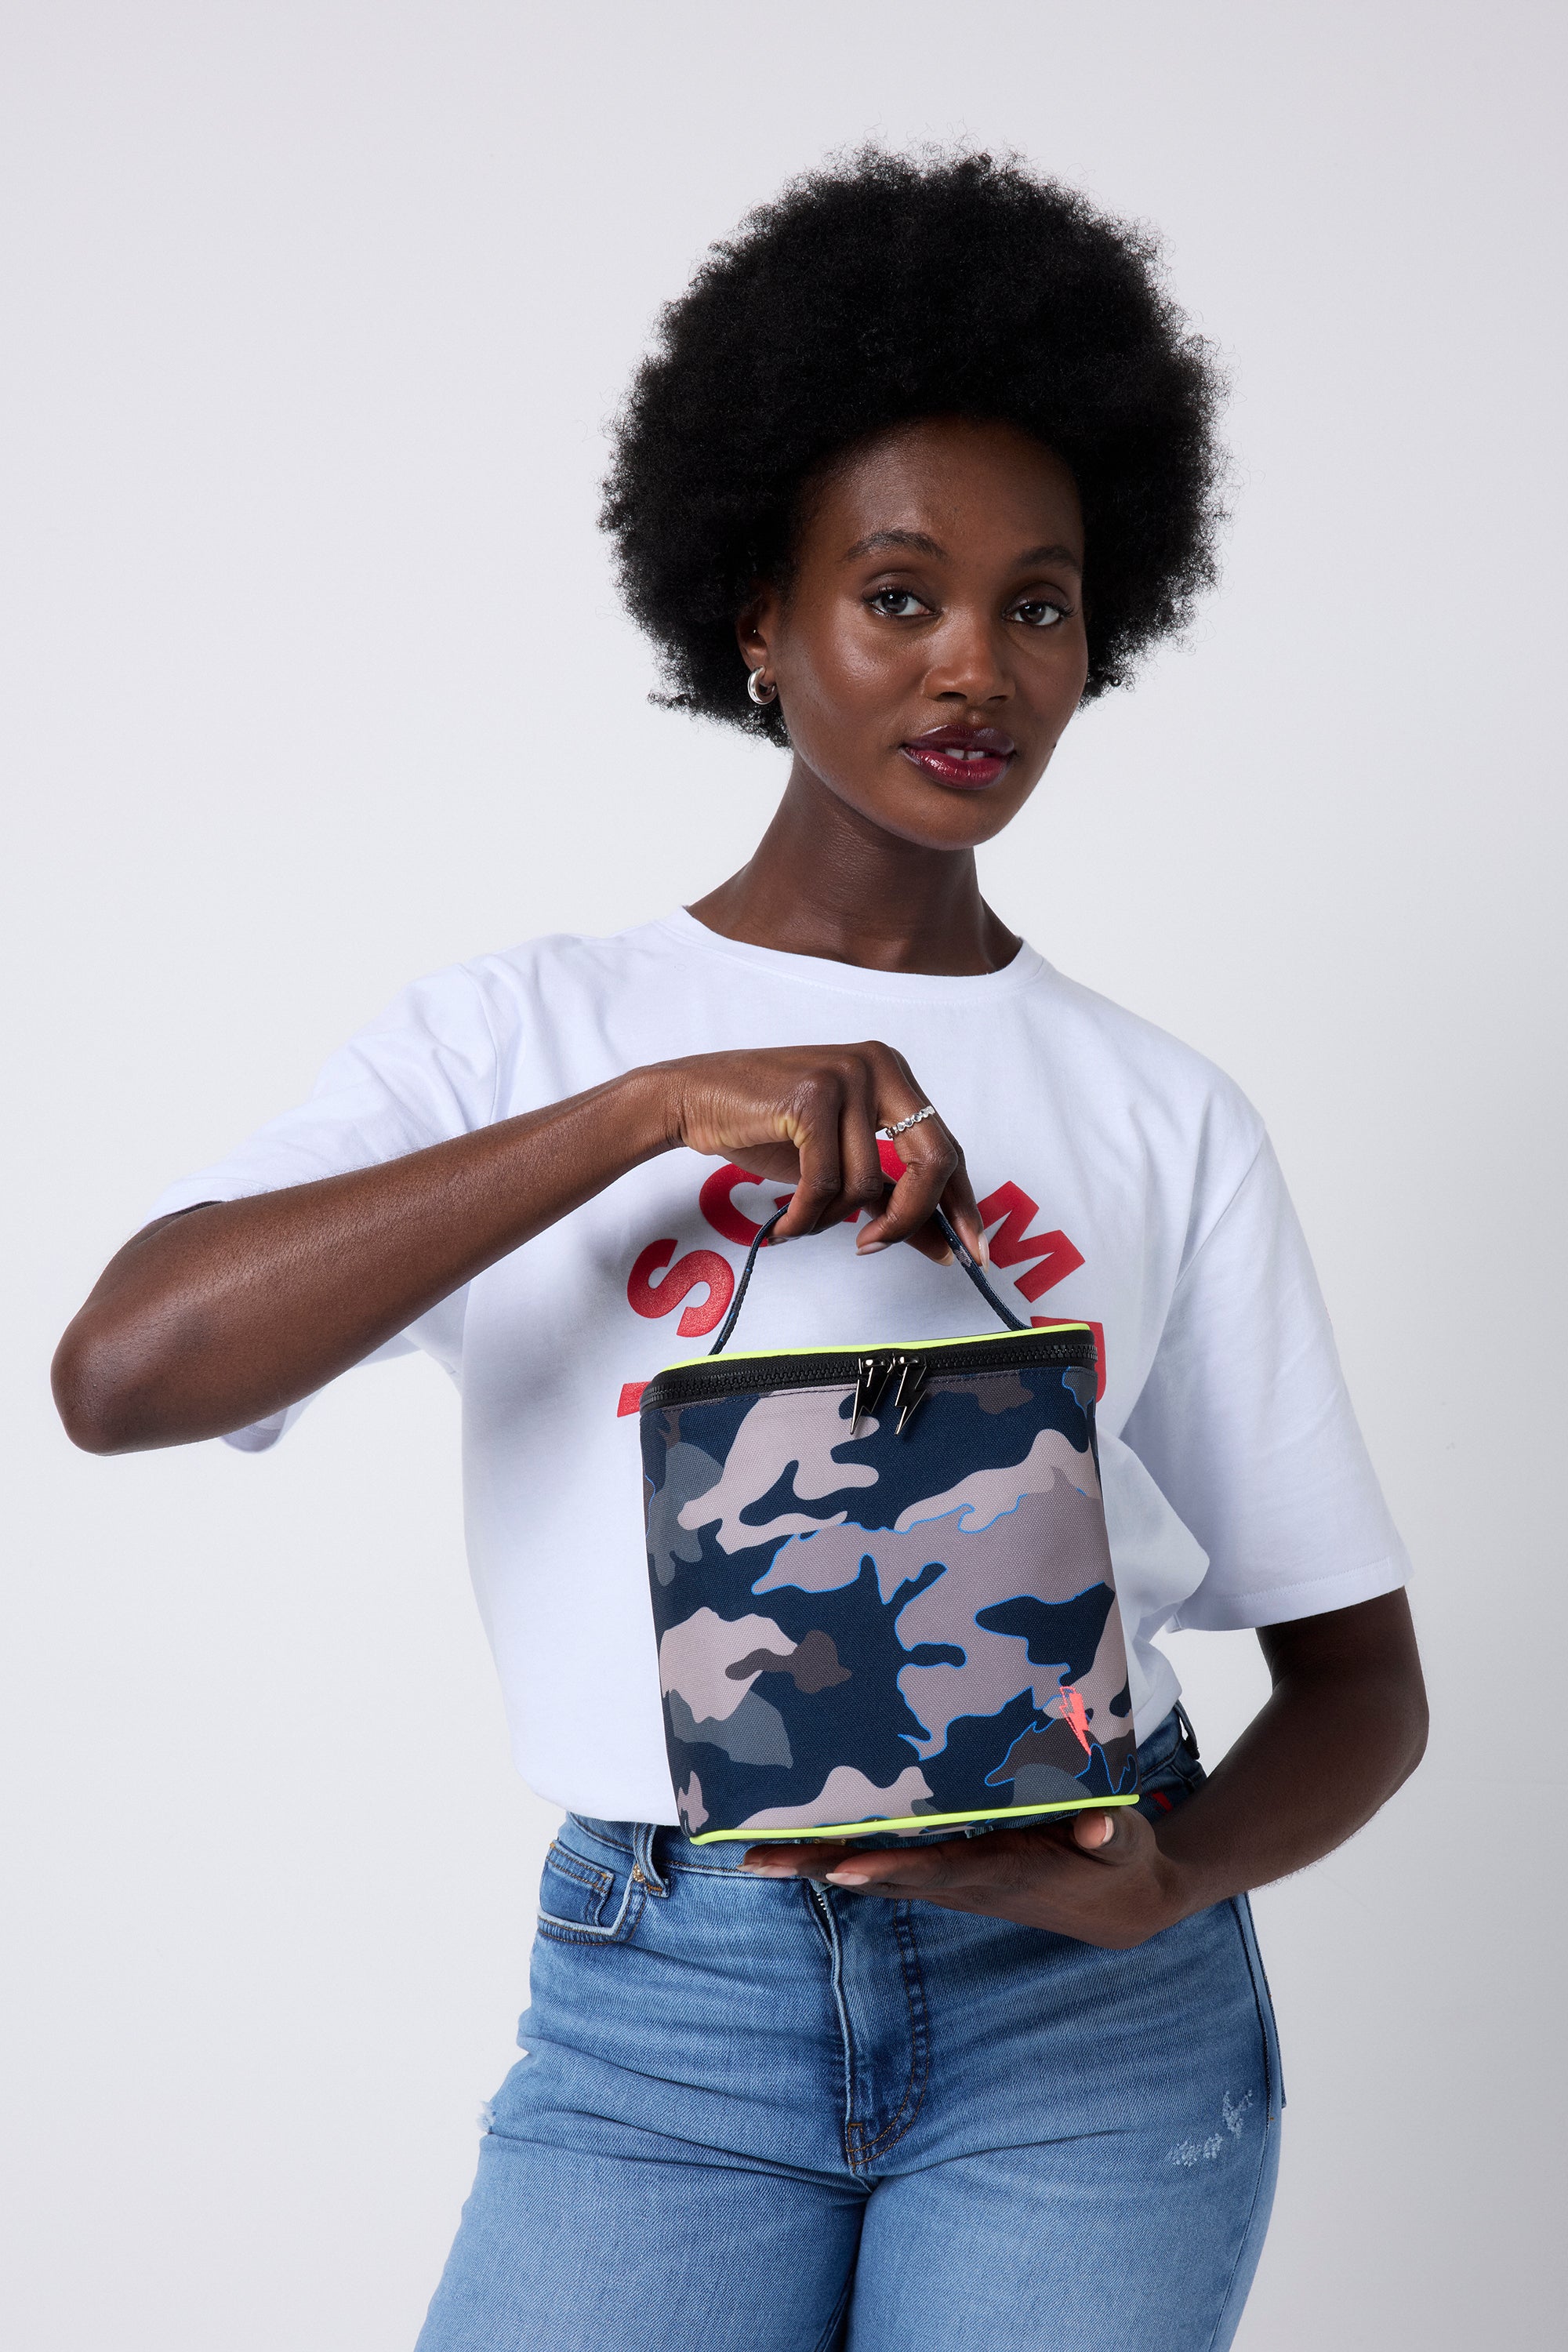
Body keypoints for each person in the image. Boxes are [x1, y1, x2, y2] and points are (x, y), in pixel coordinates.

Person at [53, 151, 1427, 2351]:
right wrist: (636, 1121)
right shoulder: (527, 1035)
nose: (976, 662)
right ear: (756, 623)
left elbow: (1364, 1690)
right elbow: (122, 1379)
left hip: (1089, 2020)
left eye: (1041, 603)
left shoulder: (1164, 1111)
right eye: (899, 594)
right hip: (656, 2012)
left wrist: (1175, 1878)